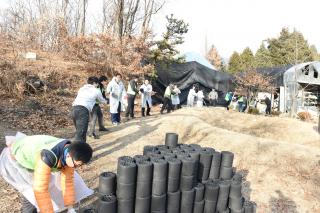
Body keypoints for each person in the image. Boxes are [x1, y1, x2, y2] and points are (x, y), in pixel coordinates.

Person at [0, 133, 93, 213]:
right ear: (68, 155)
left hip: (37, 154)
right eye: (77, 165)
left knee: (71, 180)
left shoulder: (70, 153)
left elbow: (67, 182)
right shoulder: (48, 156)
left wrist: (70, 208)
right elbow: (40, 190)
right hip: (18, 159)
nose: (77, 167)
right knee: (31, 192)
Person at [71, 76, 107, 143]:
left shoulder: (81, 88)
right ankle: (80, 151)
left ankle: (78, 149)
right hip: (82, 110)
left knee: (79, 131)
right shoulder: (96, 90)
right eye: (97, 84)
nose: (97, 85)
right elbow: (102, 100)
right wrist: (107, 101)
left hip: (74, 109)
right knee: (81, 134)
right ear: (94, 83)